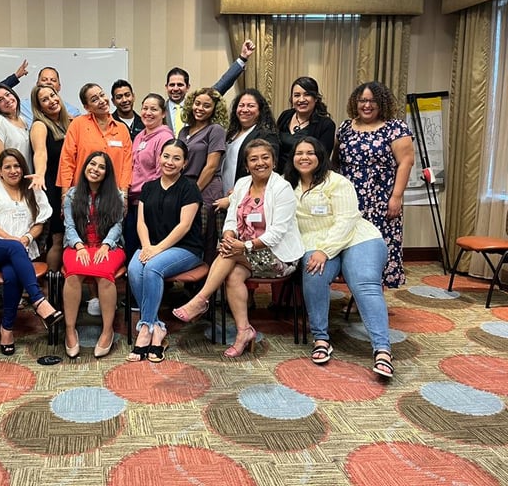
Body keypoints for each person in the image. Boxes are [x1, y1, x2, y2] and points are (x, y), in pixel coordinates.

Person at [172, 139, 304, 357]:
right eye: (254, 159)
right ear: (246, 164)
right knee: (232, 274)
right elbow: (231, 219)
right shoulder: (242, 184)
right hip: (245, 254)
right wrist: (229, 236)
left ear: (273, 161)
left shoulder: (282, 188)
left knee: (229, 254)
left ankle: (201, 299)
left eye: (265, 158)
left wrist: (243, 246)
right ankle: (244, 331)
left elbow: (277, 233)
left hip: (280, 256)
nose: (260, 163)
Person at [284, 137, 393, 379]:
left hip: (357, 238)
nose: (304, 157)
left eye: (310, 152)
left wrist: (326, 251)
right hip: (314, 242)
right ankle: (321, 339)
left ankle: (382, 349)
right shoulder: (288, 186)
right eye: (299, 153)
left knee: (364, 282)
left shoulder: (337, 182)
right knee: (313, 272)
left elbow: (346, 221)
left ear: (320, 156)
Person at [0, 149, 63, 355]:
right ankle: (39, 300)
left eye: (17, 166)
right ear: (0, 171)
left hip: (19, 250)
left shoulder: (32, 188)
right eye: (8, 167)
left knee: (12, 274)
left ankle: (7, 329)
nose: (13, 171)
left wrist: (28, 237)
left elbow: (40, 221)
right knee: (14, 248)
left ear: (23, 167)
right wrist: (9, 238)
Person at [127, 139, 203, 363]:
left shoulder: (189, 188)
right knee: (133, 268)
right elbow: (141, 223)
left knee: (151, 268)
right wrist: (147, 246)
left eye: (176, 158)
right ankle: (157, 327)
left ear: (184, 163)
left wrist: (157, 250)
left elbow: (185, 226)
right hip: (151, 246)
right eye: (166, 156)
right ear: (159, 158)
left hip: (185, 248)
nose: (170, 162)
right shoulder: (149, 187)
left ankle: (145, 329)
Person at [336, 81, 414, 288]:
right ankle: (356, 292)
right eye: (362, 100)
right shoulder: (345, 127)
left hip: (382, 199)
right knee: (351, 245)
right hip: (350, 199)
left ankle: (374, 295)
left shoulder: (395, 128)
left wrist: (396, 197)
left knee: (378, 247)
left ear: (382, 103)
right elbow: (335, 162)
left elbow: (406, 162)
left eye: (372, 101)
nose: (367, 105)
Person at [62, 152, 126, 360]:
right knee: (73, 274)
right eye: (92, 164)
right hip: (77, 245)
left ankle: (107, 331)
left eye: (101, 167)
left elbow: (117, 225)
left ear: (107, 173)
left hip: (109, 246)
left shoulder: (116, 195)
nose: (95, 169)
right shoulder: (72, 194)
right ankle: (70, 330)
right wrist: (79, 246)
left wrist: (106, 245)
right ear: (85, 166)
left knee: (103, 273)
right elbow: (69, 226)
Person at [57, 83, 133, 205]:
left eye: (102, 95)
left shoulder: (122, 129)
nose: (102, 101)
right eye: (95, 99)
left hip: (112, 197)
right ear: (87, 107)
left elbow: (126, 165)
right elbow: (67, 161)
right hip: (82, 196)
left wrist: (124, 196)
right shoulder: (78, 125)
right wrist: (65, 195)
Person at [177, 87, 228, 264]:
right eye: (197, 103)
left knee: (206, 237)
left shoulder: (216, 130)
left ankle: (205, 285)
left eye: (206, 105)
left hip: (206, 187)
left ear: (214, 109)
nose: (200, 108)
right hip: (186, 186)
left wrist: (194, 192)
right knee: (186, 232)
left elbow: (211, 166)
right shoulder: (184, 132)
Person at [164, 40, 255, 133]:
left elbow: (223, 83)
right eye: (172, 85)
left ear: (187, 87)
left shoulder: (197, 105)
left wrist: (243, 58)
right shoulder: (158, 109)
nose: (175, 88)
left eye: (180, 85)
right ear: (166, 87)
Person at [28, 84, 72, 271]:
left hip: (68, 186)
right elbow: (40, 153)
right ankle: (49, 286)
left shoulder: (66, 124)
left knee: (66, 237)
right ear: (39, 107)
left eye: (52, 96)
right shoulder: (40, 125)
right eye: (44, 100)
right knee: (57, 238)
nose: (51, 101)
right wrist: (39, 174)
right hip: (52, 188)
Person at [125, 93, 174, 262]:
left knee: (147, 250)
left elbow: (162, 173)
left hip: (150, 203)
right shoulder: (139, 136)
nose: (148, 112)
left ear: (163, 114)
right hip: (133, 201)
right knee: (131, 247)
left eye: (154, 109)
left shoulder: (165, 137)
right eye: (145, 108)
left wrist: (142, 194)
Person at [219, 88, 280, 200]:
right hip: (223, 193)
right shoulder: (231, 134)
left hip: (246, 196)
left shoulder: (266, 135)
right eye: (241, 105)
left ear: (260, 110)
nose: (245, 109)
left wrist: (238, 193)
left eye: (251, 106)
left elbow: (267, 170)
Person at [275, 76, 336, 173]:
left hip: (307, 178)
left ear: (316, 98)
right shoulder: (285, 116)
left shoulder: (326, 125)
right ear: (292, 99)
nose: (301, 99)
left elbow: (322, 159)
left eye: (307, 94)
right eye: (297, 95)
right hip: (279, 177)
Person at [0, 82, 32, 180]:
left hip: (20, 180)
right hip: (2, 182)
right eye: (0, 100)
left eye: (7, 94)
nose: (7, 100)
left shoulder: (23, 120)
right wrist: (1, 189)